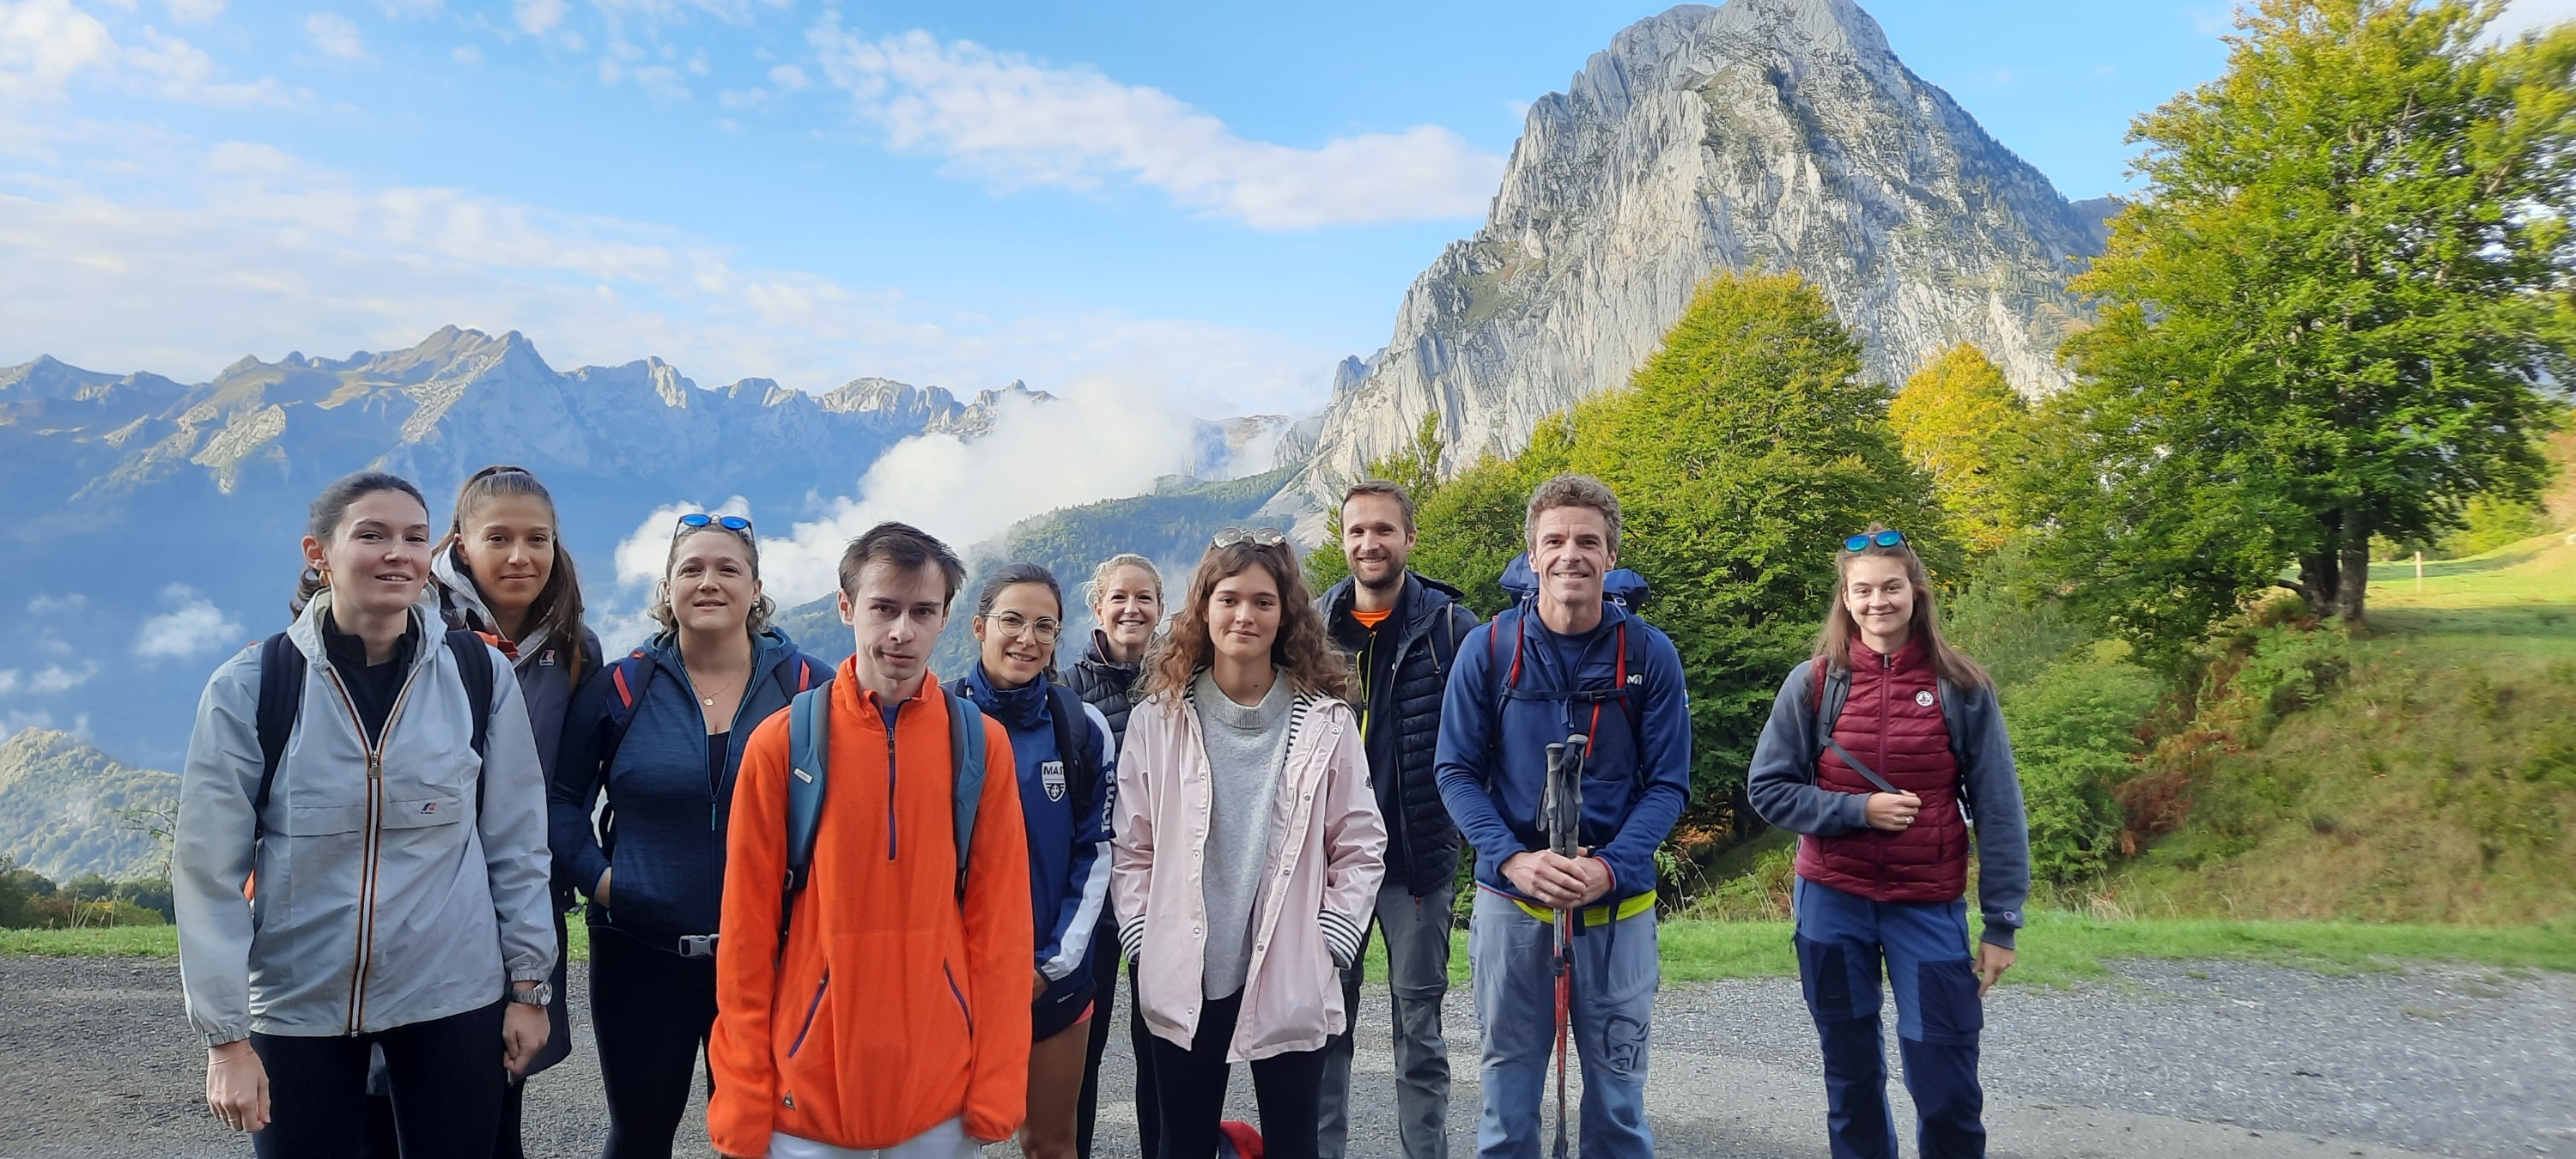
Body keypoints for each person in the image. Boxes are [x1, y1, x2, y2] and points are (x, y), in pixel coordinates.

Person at [176, 470, 556, 1159]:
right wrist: (227, 1040)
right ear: (318, 554)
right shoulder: (253, 686)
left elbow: (518, 840)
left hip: (452, 999)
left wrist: (530, 986)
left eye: (414, 538)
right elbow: (207, 873)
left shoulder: (477, 673)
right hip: (299, 1003)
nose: (398, 554)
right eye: (371, 535)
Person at [708, 521, 1033, 1159]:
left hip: (939, 1090)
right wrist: (743, 1095)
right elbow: (745, 933)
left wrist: (997, 1083)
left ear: (945, 618)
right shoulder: (783, 745)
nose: (901, 632)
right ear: (846, 607)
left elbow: (1001, 928)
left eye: (922, 611)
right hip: (808, 1092)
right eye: (884, 608)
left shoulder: (978, 746)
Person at [550, 511, 830, 1159]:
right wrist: (604, 882)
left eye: (728, 568)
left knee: (763, 1138)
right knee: (641, 1136)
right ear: (667, 588)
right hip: (640, 952)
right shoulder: (621, 685)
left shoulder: (810, 687)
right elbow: (562, 803)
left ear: (755, 588)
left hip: (773, 958)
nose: (709, 582)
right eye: (692, 569)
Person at [1745, 525, 2031, 1159]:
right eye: (1864, 590)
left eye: (1891, 587)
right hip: (1831, 902)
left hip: (1925, 906)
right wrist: (1857, 810)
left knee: (1948, 1086)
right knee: (1851, 1081)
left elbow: (1999, 809)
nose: (1879, 602)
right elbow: (1768, 790)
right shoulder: (1814, 684)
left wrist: (2001, 923)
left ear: (1916, 592)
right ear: (1845, 599)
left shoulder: (1962, 687)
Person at [349, 464, 602, 1159]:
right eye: (500, 538)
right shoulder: (408, 628)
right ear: (460, 545)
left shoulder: (574, 651)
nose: (520, 556)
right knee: (381, 1090)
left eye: (537, 539)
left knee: (497, 1092)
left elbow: (565, 791)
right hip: (410, 889)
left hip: (515, 892)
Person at [1433, 474, 1690, 1159]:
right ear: (1533, 553)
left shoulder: (1651, 655)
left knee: (1617, 1095)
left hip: (1617, 909)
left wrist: (1611, 868)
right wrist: (1513, 857)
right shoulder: (1487, 650)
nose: (1570, 554)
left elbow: (1667, 786)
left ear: (1610, 557)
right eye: (1555, 540)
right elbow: (1454, 770)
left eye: (1587, 541)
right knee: (1508, 1096)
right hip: (1511, 902)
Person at [1113, 527, 1387, 1159]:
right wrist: (1140, 937)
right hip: (1184, 968)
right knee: (1181, 1145)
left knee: (1296, 1146)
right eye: (1229, 598)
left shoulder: (1325, 721)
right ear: (1203, 608)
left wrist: (1333, 939)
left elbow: (1360, 841)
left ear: (1286, 614)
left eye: (1264, 601)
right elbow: (1132, 845)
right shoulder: (1161, 718)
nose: (1245, 615)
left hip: (1292, 963)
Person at [1314, 481, 1479, 1159]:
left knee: (1420, 1029)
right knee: (1325, 1031)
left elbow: (1484, 738)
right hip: (1325, 868)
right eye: (1357, 531)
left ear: (1410, 539)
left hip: (1416, 865)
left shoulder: (1451, 629)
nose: (1369, 543)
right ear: (1344, 540)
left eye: (1384, 530)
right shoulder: (1311, 630)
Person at [954, 564, 1117, 1159]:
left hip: (1052, 977)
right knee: (945, 1142)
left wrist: (1052, 964)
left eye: (1044, 625)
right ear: (979, 626)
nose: (1028, 637)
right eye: (1012, 620)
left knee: (1050, 1143)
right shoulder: (940, 720)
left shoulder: (1081, 726)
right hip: (952, 980)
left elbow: (1096, 852)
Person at [1065, 552, 1162, 1159]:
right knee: (1083, 1049)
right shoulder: (1064, 694)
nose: (1131, 608)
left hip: (1161, 896)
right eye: (1119, 597)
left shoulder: (1183, 686)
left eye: (1144, 598)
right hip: (1091, 901)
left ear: (1161, 609)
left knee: (1160, 1046)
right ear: (1097, 608)